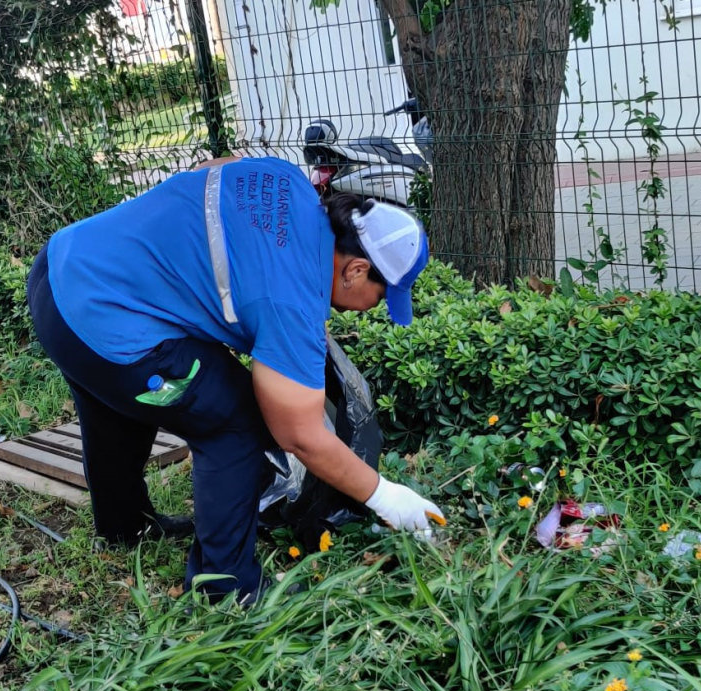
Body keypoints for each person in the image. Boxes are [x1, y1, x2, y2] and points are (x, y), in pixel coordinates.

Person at [27, 155, 446, 603]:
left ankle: (124, 526)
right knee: (235, 425)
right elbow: (299, 436)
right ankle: (226, 588)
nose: (373, 309)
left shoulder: (285, 180)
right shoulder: (291, 302)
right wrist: (384, 496)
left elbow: (215, 169)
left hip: (63, 273)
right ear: (357, 270)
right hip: (104, 321)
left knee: (115, 397)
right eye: (381, 298)